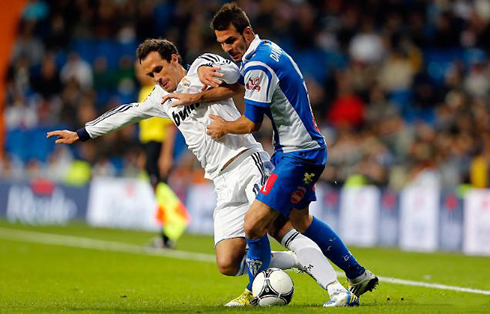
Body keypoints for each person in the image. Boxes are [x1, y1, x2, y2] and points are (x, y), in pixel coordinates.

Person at [47, 38, 353, 307]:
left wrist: (216, 75)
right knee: (228, 262)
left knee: (280, 230)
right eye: (150, 74)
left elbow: (238, 76)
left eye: (159, 69)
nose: (157, 78)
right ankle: (301, 262)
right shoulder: (160, 98)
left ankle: (336, 289)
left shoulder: (203, 66)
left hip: (248, 162)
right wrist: (82, 133)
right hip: (221, 181)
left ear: (175, 59)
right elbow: (128, 113)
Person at [163, 3, 378, 307]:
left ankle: (330, 292)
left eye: (232, 41)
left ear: (247, 32)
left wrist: (223, 126)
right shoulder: (268, 50)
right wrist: (201, 85)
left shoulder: (258, 66)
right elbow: (234, 80)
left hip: (297, 155)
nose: (228, 48)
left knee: (253, 224)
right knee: (301, 221)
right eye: (222, 43)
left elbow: (251, 123)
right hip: (301, 149)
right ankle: (356, 274)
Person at [135, 62, 182, 249]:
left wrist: (166, 154)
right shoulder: (143, 91)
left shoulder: (160, 92)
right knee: (159, 192)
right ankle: (165, 235)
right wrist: (143, 154)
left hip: (159, 146)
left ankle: (168, 234)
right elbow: (145, 126)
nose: (139, 74)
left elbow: (170, 125)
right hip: (149, 147)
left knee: (161, 190)